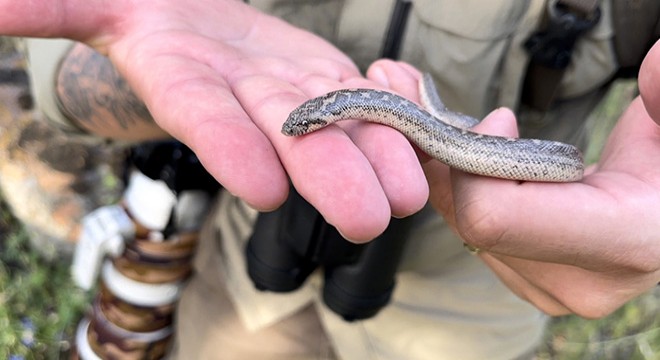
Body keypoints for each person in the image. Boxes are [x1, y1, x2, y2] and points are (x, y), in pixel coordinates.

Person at [2, 0, 659, 358]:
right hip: (248, 273)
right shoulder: (330, 113)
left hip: (464, 315)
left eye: (311, 120)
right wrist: (143, 59)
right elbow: (73, 49)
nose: (308, 123)